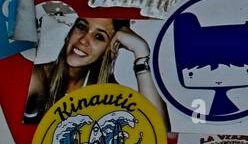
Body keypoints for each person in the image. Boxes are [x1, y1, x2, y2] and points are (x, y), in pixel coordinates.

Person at [24, 16, 170, 128]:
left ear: (111, 49)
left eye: (99, 37)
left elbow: (158, 132)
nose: (83, 40)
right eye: (81, 27)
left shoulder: (112, 95)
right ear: (70, 32)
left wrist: (141, 51)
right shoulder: (37, 77)